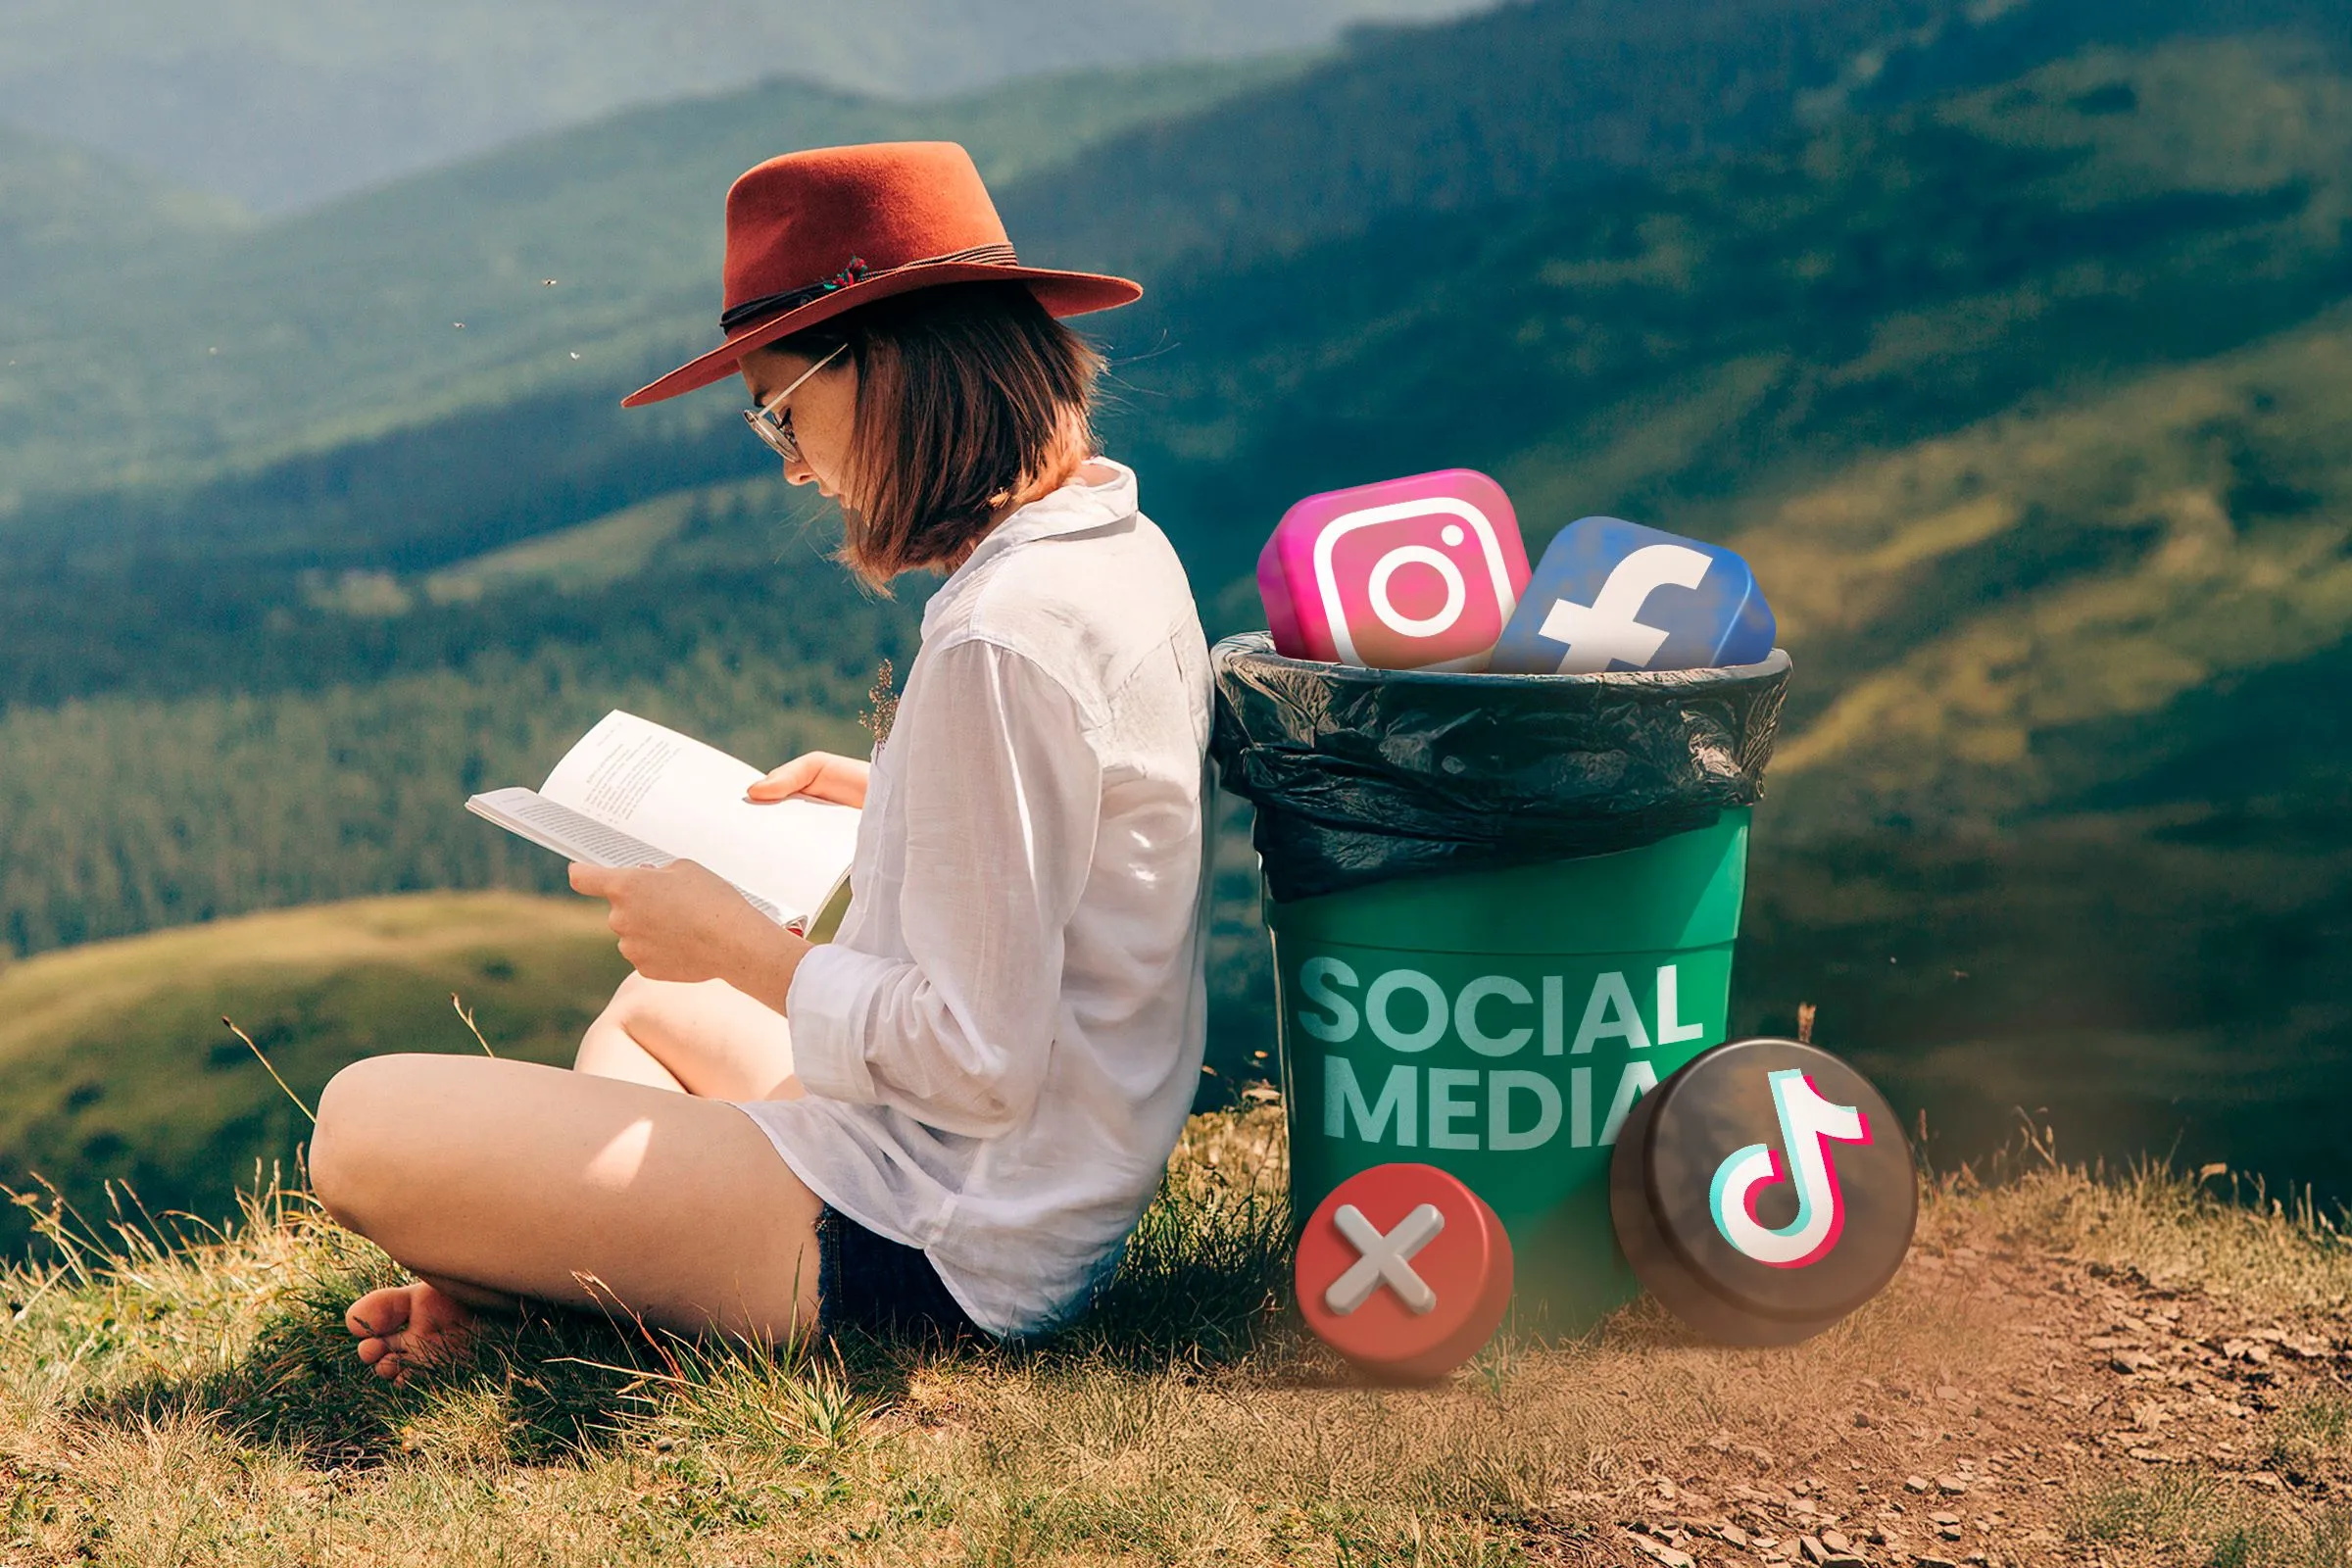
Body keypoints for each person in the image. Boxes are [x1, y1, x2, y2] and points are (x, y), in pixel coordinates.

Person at [308, 141, 1215, 1383]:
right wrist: (898, 792)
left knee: (359, 1124)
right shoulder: (1107, 543)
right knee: (653, 1011)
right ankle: (542, 1266)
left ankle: (544, 1272)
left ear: (884, 367)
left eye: (780, 410)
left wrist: (735, 944)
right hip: (1026, 1184)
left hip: (938, 1238)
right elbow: (1079, 843)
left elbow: (976, 1059)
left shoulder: (1005, 637)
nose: (789, 460)